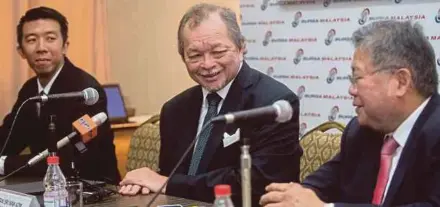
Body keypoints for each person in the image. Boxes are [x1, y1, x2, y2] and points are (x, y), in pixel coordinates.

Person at [119, 3, 302, 205]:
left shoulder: (273, 103)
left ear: (241, 47)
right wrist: (145, 183)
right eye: (195, 55)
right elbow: (172, 175)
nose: (207, 64)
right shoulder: (174, 109)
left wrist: (166, 183)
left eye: (218, 52)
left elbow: (260, 184)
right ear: (183, 56)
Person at [260, 20, 440, 207]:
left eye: (357, 78)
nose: (351, 90)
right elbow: (318, 186)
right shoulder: (361, 131)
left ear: (401, 82)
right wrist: (289, 199)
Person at [0, 6, 120, 184]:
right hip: (46, 186)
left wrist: (4, 164)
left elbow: (73, 159)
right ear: (21, 51)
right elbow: (8, 140)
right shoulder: (30, 90)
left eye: (50, 38)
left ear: (65, 46)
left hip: (93, 190)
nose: (41, 48)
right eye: (32, 40)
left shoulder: (86, 91)